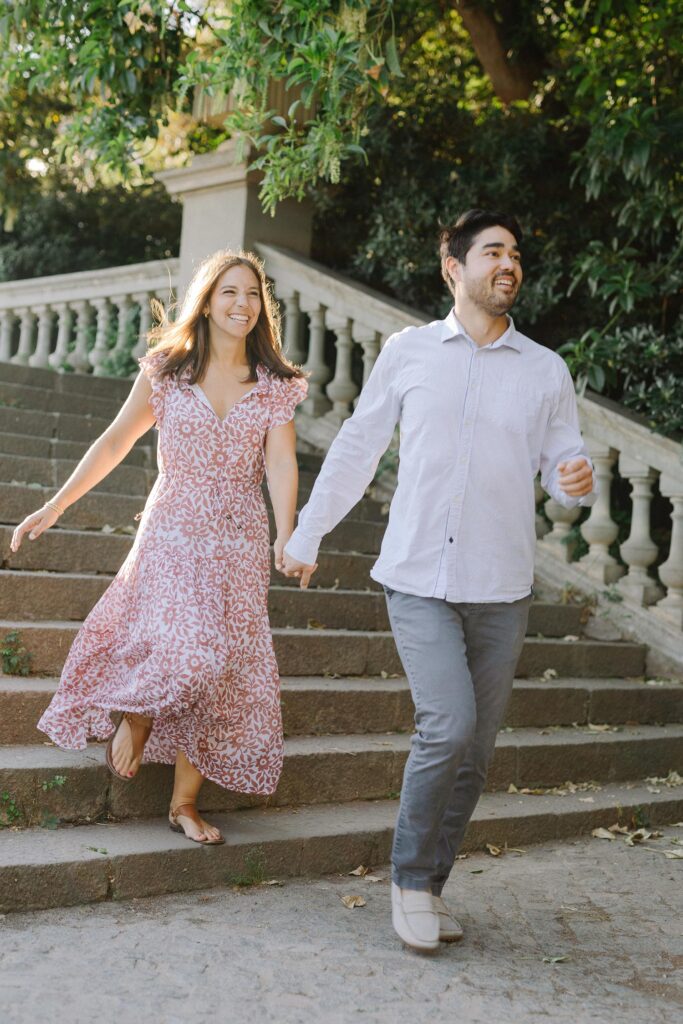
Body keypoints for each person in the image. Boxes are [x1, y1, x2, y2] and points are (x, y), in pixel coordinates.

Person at [282, 210, 597, 951]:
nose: (508, 263)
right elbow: (359, 443)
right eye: (492, 251)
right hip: (418, 574)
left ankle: (428, 883)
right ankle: (408, 880)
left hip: (501, 584)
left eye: (515, 253)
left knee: (476, 751)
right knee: (447, 725)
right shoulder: (409, 352)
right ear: (452, 267)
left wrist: (574, 482)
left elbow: (565, 474)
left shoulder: (545, 370)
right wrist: (305, 532)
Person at [11, 249, 307, 845]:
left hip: (240, 538)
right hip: (173, 527)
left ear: (262, 307)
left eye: (252, 294)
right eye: (229, 292)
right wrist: (57, 504)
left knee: (221, 667)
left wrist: (287, 531)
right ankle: (137, 717)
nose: (242, 304)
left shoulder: (275, 385)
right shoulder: (167, 371)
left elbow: (280, 461)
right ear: (206, 299)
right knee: (191, 650)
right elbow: (116, 440)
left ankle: (184, 804)